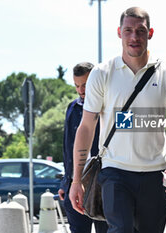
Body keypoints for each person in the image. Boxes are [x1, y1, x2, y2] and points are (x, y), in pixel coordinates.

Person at [69, 7, 166, 233]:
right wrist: (76, 180)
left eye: (140, 31)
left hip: (156, 173)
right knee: (120, 230)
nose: (134, 37)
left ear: (150, 33)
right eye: (128, 31)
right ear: (119, 33)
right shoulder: (102, 73)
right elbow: (86, 127)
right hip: (115, 171)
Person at [58, 62, 108, 233]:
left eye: (85, 85)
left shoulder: (110, 107)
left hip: (103, 184)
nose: (80, 90)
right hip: (75, 185)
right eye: (77, 85)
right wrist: (66, 183)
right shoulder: (72, 108)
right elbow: (67, 148)